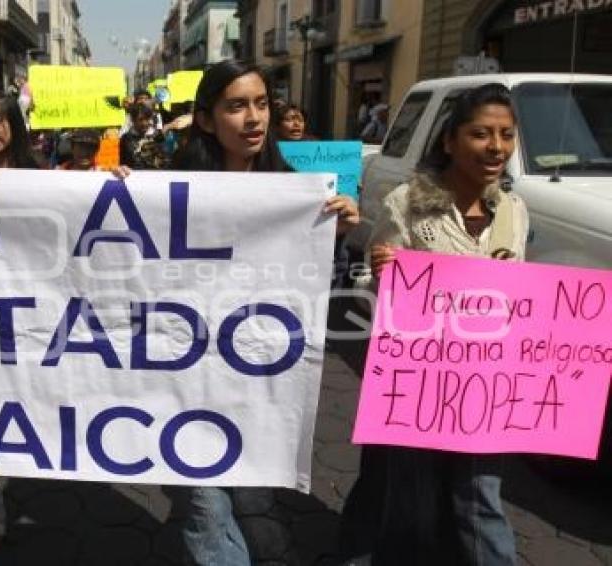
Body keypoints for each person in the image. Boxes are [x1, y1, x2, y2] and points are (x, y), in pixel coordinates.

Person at [126, 59, 357, 565]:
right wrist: (114, 197)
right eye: (236, 106)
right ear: (207, 120)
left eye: (261, 104)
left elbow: (315, 292)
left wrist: (335, 237)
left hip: (252, 377)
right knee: (207, 505)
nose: (254, 118)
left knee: (241, 496)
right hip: (182, 378)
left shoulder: (295, 191)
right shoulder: (167, 189)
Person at [341, 83, 528, 566]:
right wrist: (380, 274)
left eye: (506, 135)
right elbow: (366, 285)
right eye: (480, 133)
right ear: (450, 141)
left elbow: (523, 298)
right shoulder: (409, 203)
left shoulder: (514, 211)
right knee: (414, 505)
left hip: (486, 388)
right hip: (420, 388)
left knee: (481, 500)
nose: (496, 147)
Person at [119, 103, 167, 169]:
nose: (144, 123)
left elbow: (164, 160)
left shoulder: (158, 136)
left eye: (147, 119)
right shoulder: (126, 138)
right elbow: (123, 163)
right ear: (133, 120)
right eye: (141, 120)